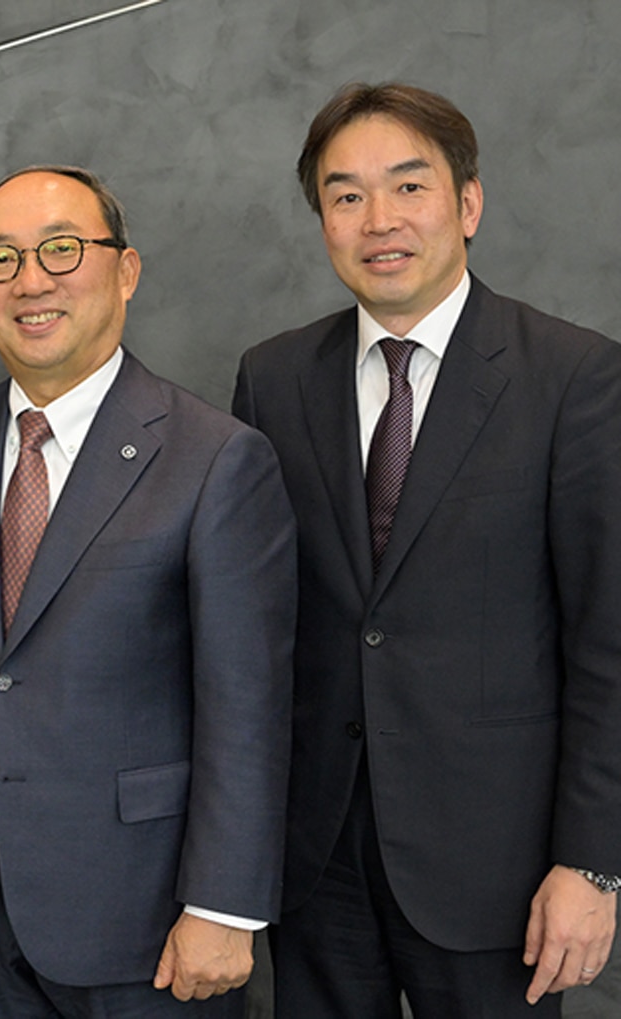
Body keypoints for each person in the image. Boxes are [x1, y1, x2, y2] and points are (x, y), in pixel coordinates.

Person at [0, 165, 296, 1017]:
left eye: (62, 249)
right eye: (0, 258)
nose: (31, 281)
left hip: (150, 914)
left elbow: (250, 702)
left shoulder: (216, 458)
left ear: (125, 271)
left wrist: (224, 903)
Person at [232, 82, 621, 1018]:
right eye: (346, 194)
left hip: (499, 867)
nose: (380, 220)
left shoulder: (573, 376)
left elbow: (611, 643)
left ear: (468, 203)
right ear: (322, 219)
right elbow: (254, 630)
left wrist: (595, 863)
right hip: (315, 859)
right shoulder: (274, 377)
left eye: (409, 187)